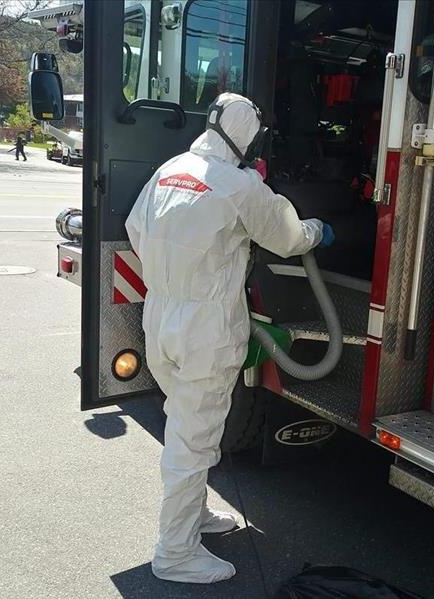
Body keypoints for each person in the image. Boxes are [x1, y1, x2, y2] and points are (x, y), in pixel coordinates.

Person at [125, 93, 334, 584]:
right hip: (206, 328)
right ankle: (175, 552)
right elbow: (286, 238)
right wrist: (318, 230)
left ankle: (193, 517)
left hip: (161, 314)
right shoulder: (240, 186)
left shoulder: (170, 169)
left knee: (184, 422)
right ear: (248, 136)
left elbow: (136, 230)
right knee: (193, 439)